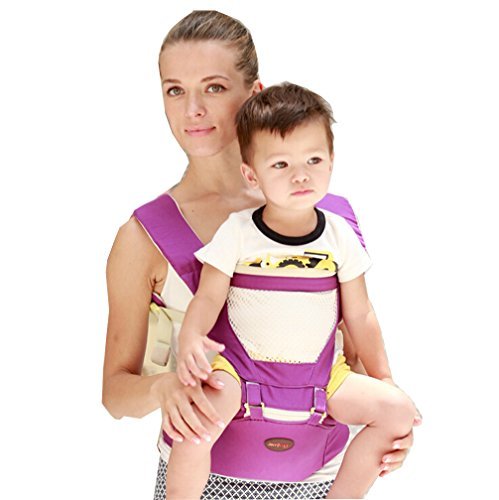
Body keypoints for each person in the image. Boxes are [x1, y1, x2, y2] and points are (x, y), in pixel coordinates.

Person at [102, 10, 421, 499]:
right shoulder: (143, 235)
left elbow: (356, 352)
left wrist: (392, 420)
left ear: (253, 94)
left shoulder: (331, 218)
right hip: (205, 482)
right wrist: (162, 388)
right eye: (175, 90)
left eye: (213, 87)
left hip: (322, 479)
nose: (193, 110)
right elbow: (114, 394)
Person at [167, 82, 417, 499]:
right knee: (193, 423)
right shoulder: (238, 232)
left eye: (314, 159)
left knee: (399, 412)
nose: (301, 175)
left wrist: (384, 379)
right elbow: (208, 297)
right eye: (280, 164)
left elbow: (360, 315)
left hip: (323, 378)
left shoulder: (339, 236)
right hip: (240, 373)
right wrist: (192, 337)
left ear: (332, 161)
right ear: (252, 174)